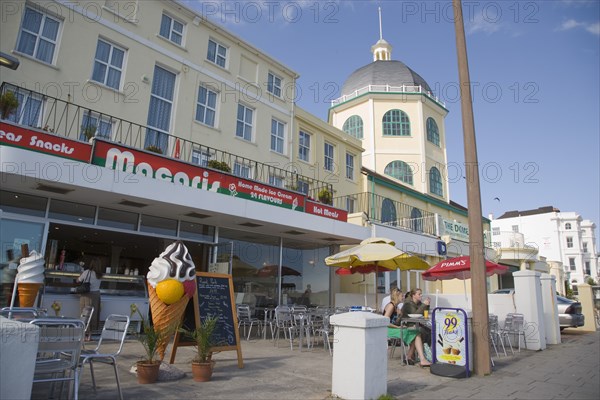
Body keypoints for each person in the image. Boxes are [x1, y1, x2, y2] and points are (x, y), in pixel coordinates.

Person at [385, 289, 431, 367]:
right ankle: (421, 359)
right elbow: (385, 321)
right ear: (397, 296)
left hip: (396, 327)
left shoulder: (396, 306)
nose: (404, 297)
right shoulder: (391, 306)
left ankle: (409, 356)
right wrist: (398, 327)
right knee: (416, 333)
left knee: (415, 332)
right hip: (390, 329)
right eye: (402, 296)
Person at [400, 288, 432, 362]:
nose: (421, 295)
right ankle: (417, 355)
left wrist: (427, 305)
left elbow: (424, 314)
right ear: (413, 295)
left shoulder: (419, 303)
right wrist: (424, 305)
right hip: (405, 325)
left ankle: (419, 354)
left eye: (421, 294)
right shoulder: (408, 304)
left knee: (429, 330)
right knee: (420, 331)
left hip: (415, 325)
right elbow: (415, 315)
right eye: (419, 294)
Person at [77, 258, 102, 340]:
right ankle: (90, 335)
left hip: (86, 295)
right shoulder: (100, 274)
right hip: (96, 295)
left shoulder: (87, 272)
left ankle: (84, 334)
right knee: (93, 315)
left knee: (85, 314)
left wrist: (80, 275)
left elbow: (78, 280)